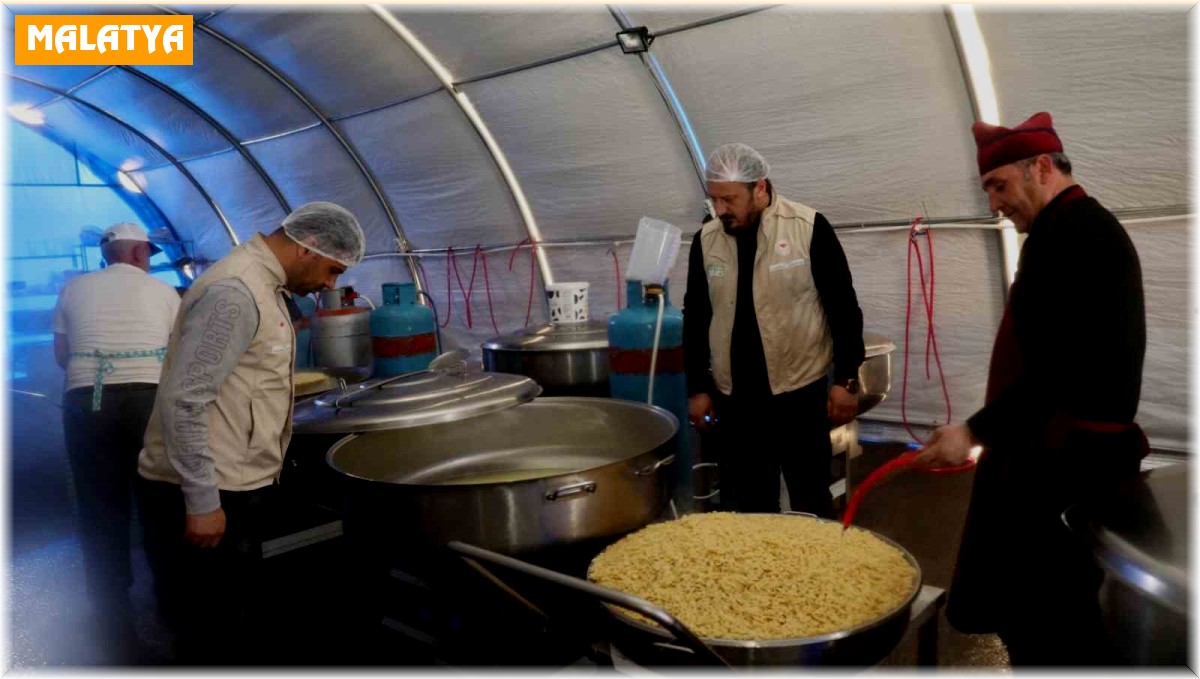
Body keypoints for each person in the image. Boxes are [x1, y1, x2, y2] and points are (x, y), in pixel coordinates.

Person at [913, 112, 1148, 666]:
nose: (993, 203)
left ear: (1041, 168)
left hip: (1066, 465)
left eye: (999, 185)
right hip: (1060, 451)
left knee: (1048, 616)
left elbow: (1056, 373)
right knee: (1053, 610)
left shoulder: (1072, 237)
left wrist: (971, 430)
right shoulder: (1072, 228)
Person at [135, 202, 365, 664]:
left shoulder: (263, 286)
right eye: (332, 269)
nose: (330, 284)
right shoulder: (236, 292)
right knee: (208, 627)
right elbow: (186, 400)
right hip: (203, 490)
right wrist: (202, 502)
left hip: (230, 482)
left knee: (229, 615)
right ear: (309, 246)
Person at [683, 143, 864, 518]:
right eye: (714, 200)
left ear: (760, 189)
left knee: (811, 495)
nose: (720, 210)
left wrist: (846, 379)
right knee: (750, 503)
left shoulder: (808, 228)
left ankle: (816, 568)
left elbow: (843, 308)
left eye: (729, 199)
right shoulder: (706, 241)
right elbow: (697, 317)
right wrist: (698, 388)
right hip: (735, 399)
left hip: (797, 392)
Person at [52, 222, 181, 660]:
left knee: (101, 511)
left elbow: (61, 356)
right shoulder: (164, 292)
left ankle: (113, 619)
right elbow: (178, 352)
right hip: (148, 400)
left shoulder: (73, 288)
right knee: (160, 505)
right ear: (140, 252)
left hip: (87, 399)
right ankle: (171, 608)